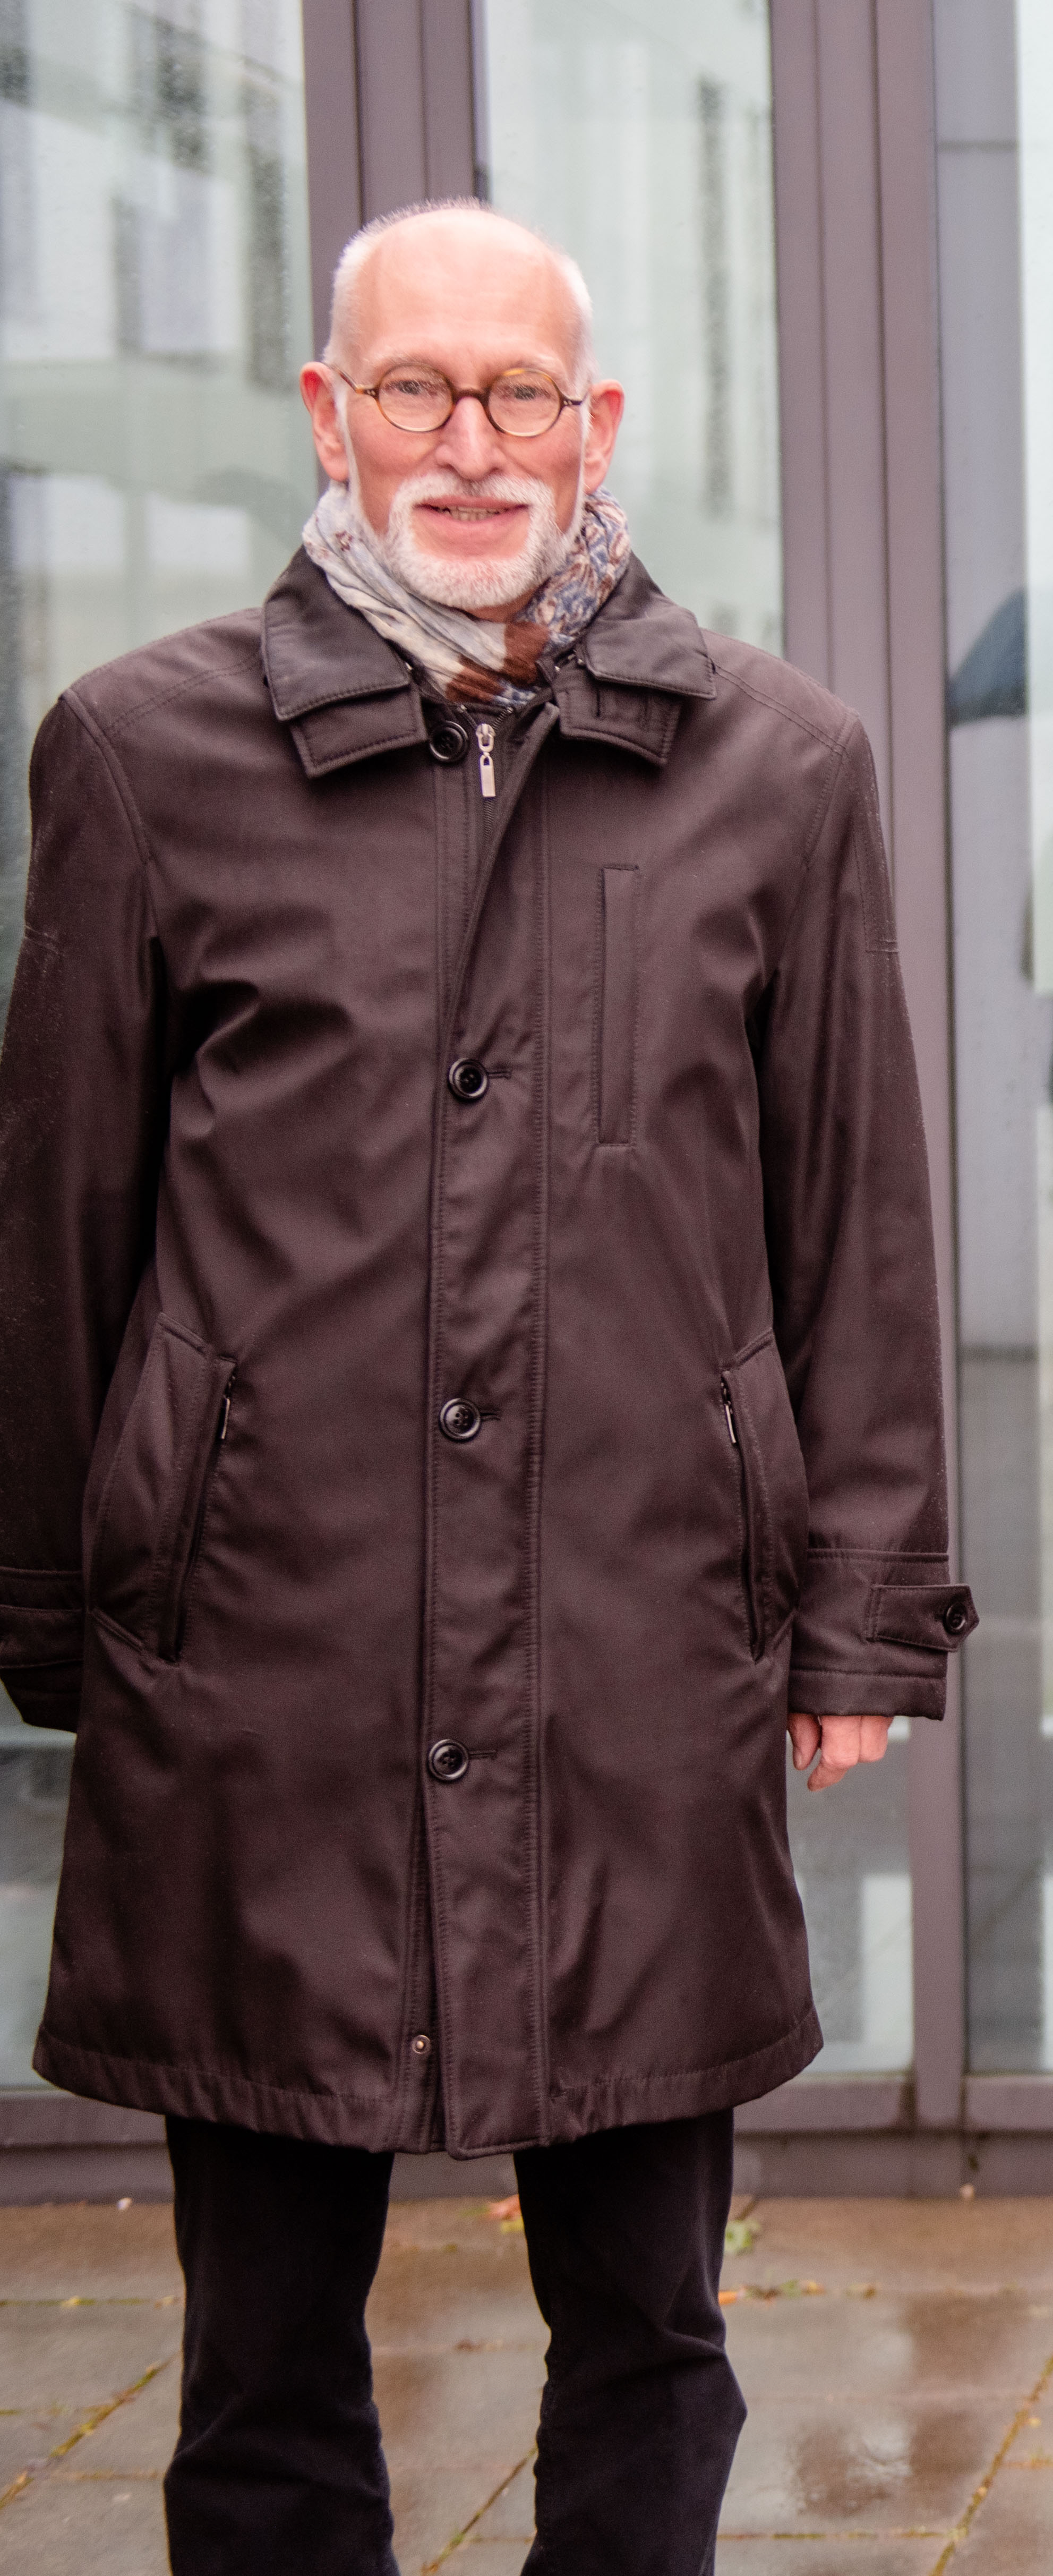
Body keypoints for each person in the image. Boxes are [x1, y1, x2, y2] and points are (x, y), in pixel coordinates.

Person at [0, 200, 973, 2571]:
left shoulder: (778, 761)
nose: (468, 441)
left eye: (517, 391)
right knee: (258, 2362)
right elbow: (59, 1227)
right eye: (412, 389)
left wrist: (860, 1607)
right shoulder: (142, 752)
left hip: (641, 1634)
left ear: (596, 423)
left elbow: (852, 1210)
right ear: (327, 416)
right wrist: (60, 1608)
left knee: (651, 2323)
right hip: (259, 1644)